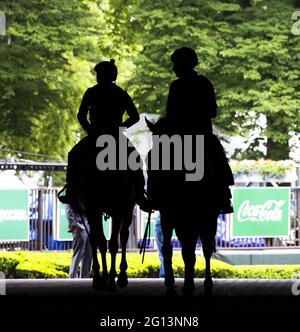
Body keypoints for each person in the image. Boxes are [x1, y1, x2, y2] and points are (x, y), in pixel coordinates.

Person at [165, 47, 234, 213]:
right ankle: (224, 196)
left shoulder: (179, 86)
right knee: (217, 157)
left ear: (184, 65)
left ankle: (157, 196)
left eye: (176, 64)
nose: (174, 68)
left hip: (184, 137)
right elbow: (212, 111)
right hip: (200, 136)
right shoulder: (203, 83)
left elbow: (170, 115)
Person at [77, 59, 140, 135]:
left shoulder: (91, 92)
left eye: (100, 74)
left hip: (95, 134)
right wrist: (119, 129)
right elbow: (135, 117)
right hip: (116, 135)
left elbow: (81, 115)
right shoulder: (121, 94)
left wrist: (90, 130)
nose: (99, 76)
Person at [66, 204, 92, 278]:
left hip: (88, 225)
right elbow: (69, 209)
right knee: (78, 252)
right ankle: (73, 276)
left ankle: (85, 276)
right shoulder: (74, 195)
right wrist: (74, 225)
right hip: (79, 226)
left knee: (89, 253)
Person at [152, 211, 165, 278]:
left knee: (161, 251)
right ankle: (164, 272)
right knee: (165, 249)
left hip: (158, 223)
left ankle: (164, 273)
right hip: (165, 223)